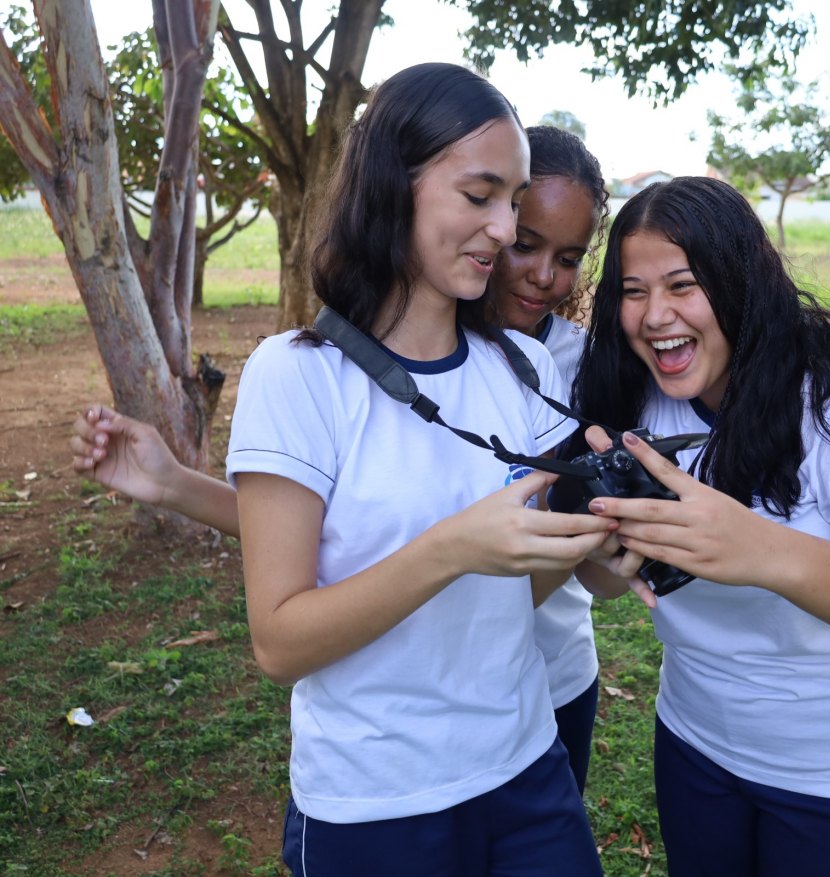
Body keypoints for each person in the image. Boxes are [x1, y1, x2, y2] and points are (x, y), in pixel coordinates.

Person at [81, 62, 615, 876]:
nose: (506, 231)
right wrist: (455, 546)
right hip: (378, 804)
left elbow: (516, 593)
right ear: (392, 185)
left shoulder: (524, 373)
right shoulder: (298, 374)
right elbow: (282, 640)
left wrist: (595, 541)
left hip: (527, 771)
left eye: (513, 201)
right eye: (480, 197)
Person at [571, 176, 830, 877]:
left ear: (739, 279)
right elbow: (603, 583)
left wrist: (762, 549)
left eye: (682, 284)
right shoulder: (637, 397)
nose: (656, 315)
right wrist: (606, 548)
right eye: (633, 291)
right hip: (699, 747)